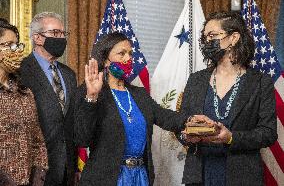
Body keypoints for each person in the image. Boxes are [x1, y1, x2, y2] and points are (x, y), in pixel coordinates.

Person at [73, 32, 205, 186]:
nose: (128, 58)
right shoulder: (90, 92)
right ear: (106, 60)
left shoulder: (139, 94)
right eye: (121, 53)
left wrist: (191, 120)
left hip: (140, 177)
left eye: (130, 53)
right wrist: (92, 97)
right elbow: (82, 138)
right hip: (106, 178)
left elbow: (166, 117)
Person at [179, 11, 277, 186]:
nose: (207, 41)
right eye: (205, 37)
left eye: (213, 35)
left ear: (234, 38)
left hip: (243, 176)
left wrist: (231, 137)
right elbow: (181, 125)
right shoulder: (196, 80)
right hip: (200, 175)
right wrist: (187, 136)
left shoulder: (261, 82)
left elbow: (268, 133)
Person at [20, 12, 77, 186]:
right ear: (37, 37)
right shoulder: (20, 71)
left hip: (67, 169)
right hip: (35, 171)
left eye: (63, 34)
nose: (61, 38)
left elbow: (71, 121)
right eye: (55, 33)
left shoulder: (69, 75)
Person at [0, 18, 48, 186]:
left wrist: (37, 180)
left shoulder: (25, 93)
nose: (16, 51)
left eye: (17, 45)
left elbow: (38, 143)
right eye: (9, 45)